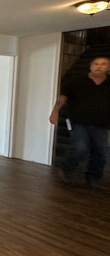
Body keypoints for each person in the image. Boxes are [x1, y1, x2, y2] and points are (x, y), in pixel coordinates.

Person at [49, 56, 110, 188]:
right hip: (78, 122)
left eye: (103, 64)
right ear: (91, 66)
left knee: (100, 151)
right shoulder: (77, 82)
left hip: (102, 124)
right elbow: (62, 99)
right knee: (80, 147)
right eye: (96, 64)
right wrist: (55, 113)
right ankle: (65, 168)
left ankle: (93, 178)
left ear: (108, 68)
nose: (99, 66)